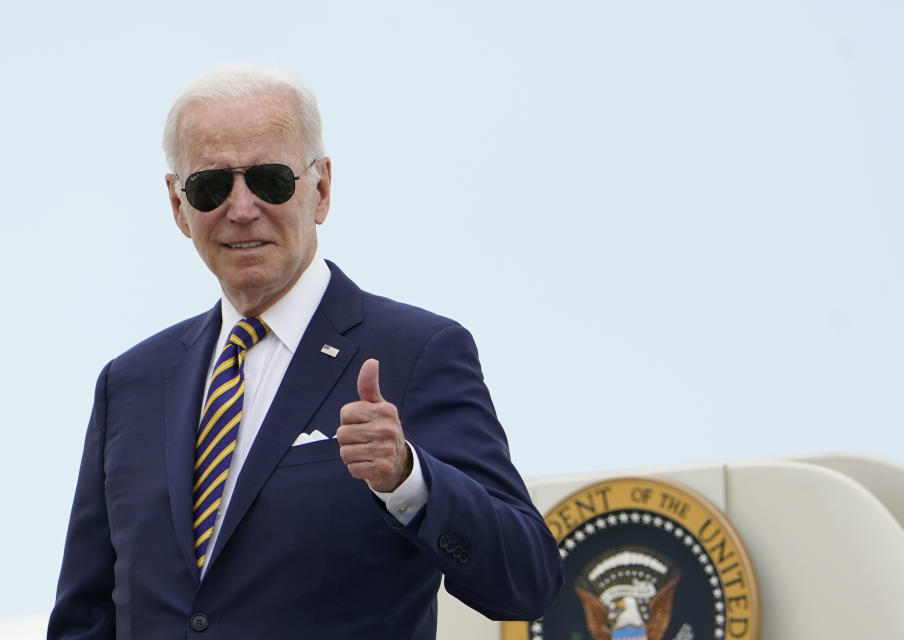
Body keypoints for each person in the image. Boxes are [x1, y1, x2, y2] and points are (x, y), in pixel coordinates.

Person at [48, 66, 563, 639]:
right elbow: (85, 617)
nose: (241, 209)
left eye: (270, 180)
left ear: (320, 189)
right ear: (177, 205)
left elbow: (527, 581)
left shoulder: (415, 353)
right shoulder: (131, 384)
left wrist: (409, 479)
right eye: (211, 187)